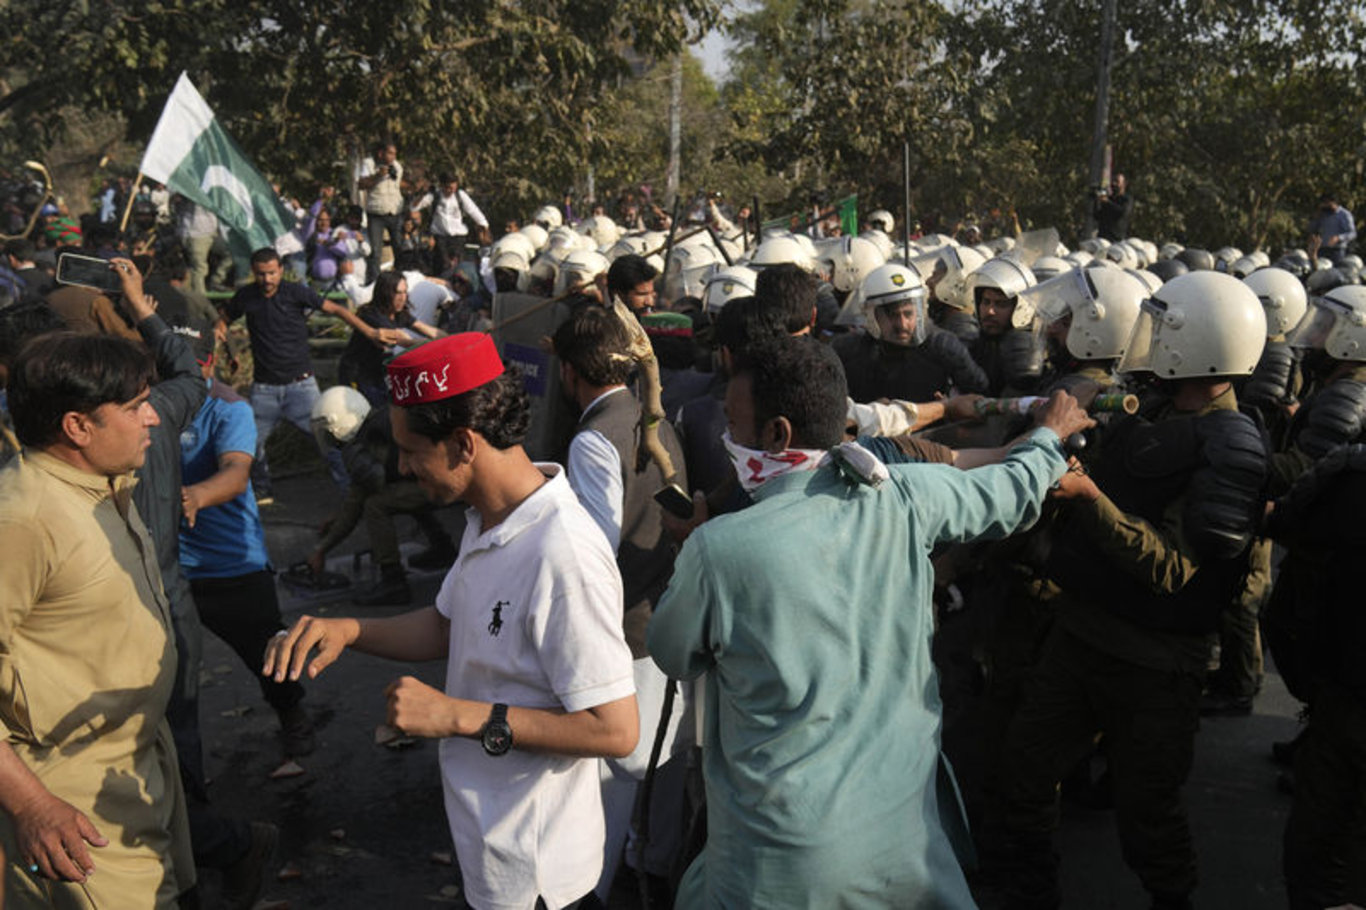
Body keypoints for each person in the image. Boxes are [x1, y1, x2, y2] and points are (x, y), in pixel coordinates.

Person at [647, 334, 1093, 908]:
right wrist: (1049, 436)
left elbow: (672, 652)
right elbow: (1008, 492)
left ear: (777, 434)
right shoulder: (903, 496)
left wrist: (690, 555)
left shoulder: (718, 549)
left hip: (780, 863)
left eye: (733, 426)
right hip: (903, 846)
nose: (727, 440)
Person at [264, 333, 639, 910]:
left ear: (464, 444)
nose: (402, 466)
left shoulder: (562, 552)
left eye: (411, 450)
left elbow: (614, 730)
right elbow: (447, 625)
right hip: (489, 848)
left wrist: (455, 716)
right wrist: (350, 630)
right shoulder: (487, 519)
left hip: (538, 875)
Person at [999, 271, 1269, 910]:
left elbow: (1174, 569)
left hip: (1155, 664)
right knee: (1024, 774)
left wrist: (1088, 497)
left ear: (1195, 343)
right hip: (1081, 636)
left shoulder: (1230, 444)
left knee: (1149, 815)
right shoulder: (1155, 409)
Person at [0, 325, 196, 906]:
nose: (152, 418)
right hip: (73, 800)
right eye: (135, 407)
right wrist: (32, 804)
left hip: (139, 764)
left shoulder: (101, 486)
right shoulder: (23, 518)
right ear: (77, 427)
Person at [553, 305, 690, 899]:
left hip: (627, 625)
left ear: (568, 371)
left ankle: (598, 887)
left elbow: (594, 551)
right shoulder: (652, 418)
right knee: (663, 756)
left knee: (617, 773)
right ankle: (654, 864)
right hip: (664, 610)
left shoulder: (594, 438)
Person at [1263, 446, 1366, 910]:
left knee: (1318, 857)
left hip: (1340, 698)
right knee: (1317, 857)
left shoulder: (1351, 475)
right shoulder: (1351, 479)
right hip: (1340, 698)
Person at [216, 247, 403, 500]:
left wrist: (370, 332)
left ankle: (352, 493)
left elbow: (336, 309)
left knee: (329, 443)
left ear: (280, 270)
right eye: (261, 274)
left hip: (302, 387)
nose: (267, 279)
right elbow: (224, 318)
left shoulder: (295, 293)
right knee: (251, 443)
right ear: (253, 272)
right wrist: (226, 343)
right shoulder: (246, 296)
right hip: (264, 389)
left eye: (272, 273)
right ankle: (262, 489)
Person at [306, 385, 458, 606]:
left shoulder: (361, 448)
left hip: (439, 484)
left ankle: (393, 580)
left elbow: (356, 504)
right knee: (399, 493)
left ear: (337, 424)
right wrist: (338, 517)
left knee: (376, 504)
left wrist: (321, 549)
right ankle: (442, 547)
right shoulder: (382, 420)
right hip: (446, 477)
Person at [338, 270, 444, 407]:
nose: (402, 298)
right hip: (357, 376)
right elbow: (407, 342)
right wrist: (437, 345)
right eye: (398, 293)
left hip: (377, 374)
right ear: (385, 293)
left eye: (405, 292)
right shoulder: (372, 316)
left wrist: (453, 338)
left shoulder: (397, 314)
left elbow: (428, 330)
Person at [421, 173, 489, 277]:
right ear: (442, 186)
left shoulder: (460, 195)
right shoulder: (435, 196)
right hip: (440, 237)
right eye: (448, 187)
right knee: (443, 265)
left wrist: (484, 225)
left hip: (458, 237)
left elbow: (473, 210)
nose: (451, 190)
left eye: (453, 187)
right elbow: (416, 206)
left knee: (459, 266)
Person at [358, 141, 404, 279]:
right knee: (375, 251)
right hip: (376, 213)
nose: (393, 157)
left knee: (399, 248)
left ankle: (400, 279)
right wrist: (378, 175)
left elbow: (399, 185)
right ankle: (375, 282)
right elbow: (361, 184)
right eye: (390, 153)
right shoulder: (369, 164)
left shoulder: (397, 166)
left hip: (395, 212)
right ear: (380, 153)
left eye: (395, 154)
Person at [1307, 192, 1356, 265]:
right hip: (1322, 249)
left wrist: (1338, 238)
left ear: (1334, 202)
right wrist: (1315, 218)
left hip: (1337, 250)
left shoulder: (1344, 215)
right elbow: (1311, 229)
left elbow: (1352, 233)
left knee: (1336, 270)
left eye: (1327, 203)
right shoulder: (1322, 214)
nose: (1325, 206)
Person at [1094, 173, 1134, 242]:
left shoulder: (1127, 199)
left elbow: (1122, 212)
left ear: (1124, 184)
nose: (1114, 184)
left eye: (1117, 182)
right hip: (1102, 238)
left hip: (1117, 239)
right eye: (1113, 181)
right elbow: (1097, 216)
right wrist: (1097, 200)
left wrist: (1107, 202)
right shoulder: (1109, 198)